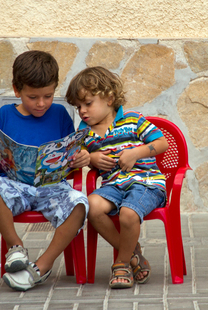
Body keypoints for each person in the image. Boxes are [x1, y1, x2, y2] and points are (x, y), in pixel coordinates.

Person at [0, 50, 90, 291]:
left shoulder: (59, 114)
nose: (41, 103)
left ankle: (41, 267)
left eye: (48, 96)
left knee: (80, 203)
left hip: (52, 188)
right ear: (17, 90)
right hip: (15, 186)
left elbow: (71, 150)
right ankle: (15, 248)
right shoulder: (6, 114)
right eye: (33, 97)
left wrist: (80, 157)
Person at [65, 66, 169, 289]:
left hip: (146, 182)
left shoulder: (133, 119)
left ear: (109, 98)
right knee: (90, 206)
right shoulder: (84, 133)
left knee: (128, 213)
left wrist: (136, 153)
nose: (82, 111)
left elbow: (162, 143)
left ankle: (122, 262)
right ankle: (133, 255)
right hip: (113, 186)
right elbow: (77, 156)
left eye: (88, 103)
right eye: (78, 106)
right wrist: (91, 158)